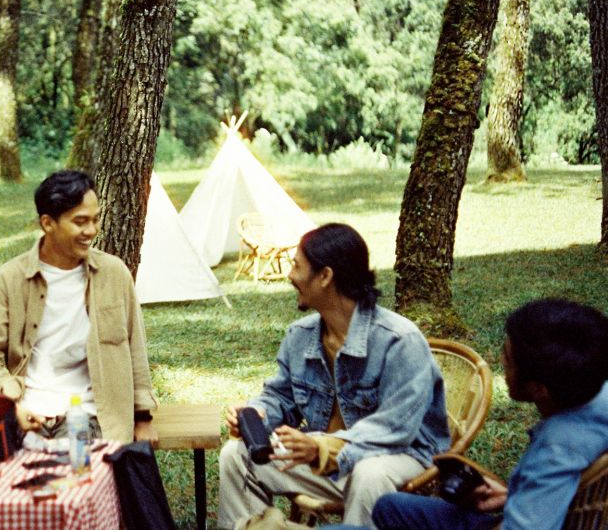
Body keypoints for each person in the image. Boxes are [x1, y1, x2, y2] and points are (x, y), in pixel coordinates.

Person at [218, 223, 450, 529]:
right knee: (237, 454)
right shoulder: (299, 336)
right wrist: (257, 414)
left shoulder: (399, 340)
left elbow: (394, 430)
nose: (290, 276)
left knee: (370, 474)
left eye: (297, 267)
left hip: (398, 455)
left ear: (325, 276)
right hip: (324, 461)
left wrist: (321, 447)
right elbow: (280, 398)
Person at [345, 298, 608, 530]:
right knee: (390, 506)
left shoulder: (554, 453)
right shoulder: (598, 396)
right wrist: (515, 497)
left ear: (539, 389)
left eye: (507, 358)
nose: (501, 362)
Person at [0, 169, 158, 443]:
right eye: (80, 222)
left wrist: (143, 418)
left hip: (87, 418)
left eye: (95, 220)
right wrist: (11, 405)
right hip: (26, 412)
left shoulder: (114, 274)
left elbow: (135, 351)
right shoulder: (8, 279)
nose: (91, 231)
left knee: (67, 476)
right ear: (48, 223)